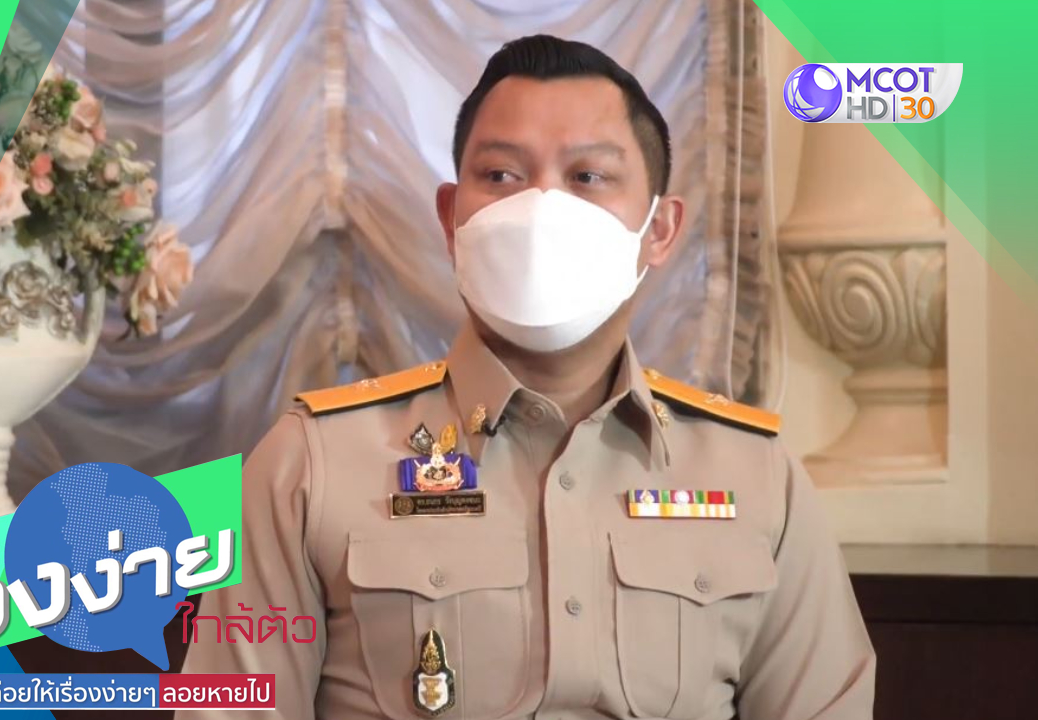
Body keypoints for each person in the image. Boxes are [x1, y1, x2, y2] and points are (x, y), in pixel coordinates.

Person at [179, 34, 875, 720]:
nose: (542, 208)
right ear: (452, 219)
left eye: (588, 177)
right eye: (503, 177)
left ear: (660, 230)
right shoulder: (309, 464)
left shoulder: (759, 478)